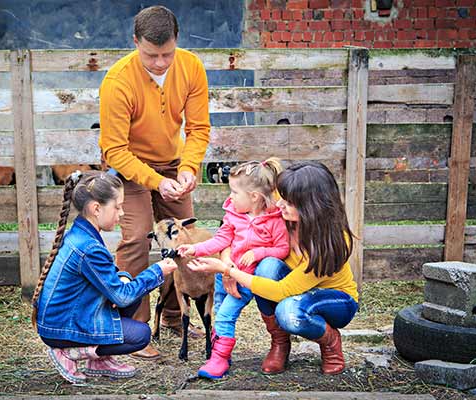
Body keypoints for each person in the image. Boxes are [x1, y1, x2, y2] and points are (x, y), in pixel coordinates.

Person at [98, 5, 210, 359]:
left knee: (183, 238)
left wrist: (189, 168)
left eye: (167, 54)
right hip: (129, 168)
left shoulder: (191, 66)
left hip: (174, 164)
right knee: (135, 238)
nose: (161, 63)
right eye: (151, 55)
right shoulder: (118, 81)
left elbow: (198, 129)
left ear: (177, 41)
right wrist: (155, 181)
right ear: (136, 43)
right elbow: (114, 150)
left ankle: (175, 317)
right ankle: (135, 328)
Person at [187, 161, 359, 377]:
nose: (280, 204)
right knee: (267, 266)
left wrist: (232, 272)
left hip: (336, 301)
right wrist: (229, 262)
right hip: (293, 290)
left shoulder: (330, 240)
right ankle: (280, 342)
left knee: (288, 313)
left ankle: (330, 340)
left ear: (311, 206)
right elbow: (235, 230)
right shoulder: (284, 214)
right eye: (282, 198)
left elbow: (282, 291)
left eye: (288, 202)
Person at [31, 170, 177, 384]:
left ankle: (99, 360)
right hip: (60, 328)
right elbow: (122, 298)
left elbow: (111, 284)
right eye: (117, 207)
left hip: (66, 317)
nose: (122, 213)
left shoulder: (82, 233)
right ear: (96, 208)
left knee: (130, 286)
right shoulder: (88, 246)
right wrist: (157, 272)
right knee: (140, 334)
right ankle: (70, 352)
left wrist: (126, 278)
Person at [176, 158, 290, 379]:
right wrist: (194, 249)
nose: (230, 197)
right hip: (224, 275)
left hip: (247, 279)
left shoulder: (274, 221)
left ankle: (218, 360)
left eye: (235, 192)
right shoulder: (233, 216)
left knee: (225, 316)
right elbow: (219, 241)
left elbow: (282, 249)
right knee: (220, 312)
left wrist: (259, 253)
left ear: (254, 197)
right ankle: (221, 352)